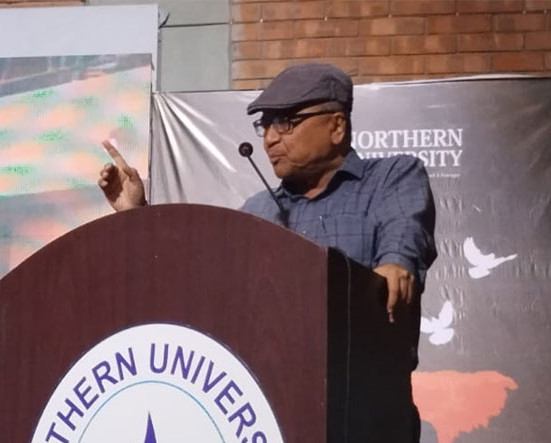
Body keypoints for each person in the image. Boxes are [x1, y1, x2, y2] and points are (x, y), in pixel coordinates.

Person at [99, 61, 436, 323]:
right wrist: (136, 214)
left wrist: (395, 264)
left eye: (286, 122)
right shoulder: (258, 212)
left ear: (336, 126)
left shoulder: (391, 178)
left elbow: (403, 235)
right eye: (266, 124)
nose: (271, 139)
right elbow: (198, 275)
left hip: (365, 383)